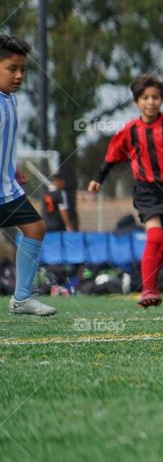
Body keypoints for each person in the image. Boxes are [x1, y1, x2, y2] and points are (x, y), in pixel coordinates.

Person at [88, 72, 163, 307]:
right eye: (145, 97)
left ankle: (151, 280)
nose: (151, 102)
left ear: (161, 100)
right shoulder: (130, 130)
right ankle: (148, 289)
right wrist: (98, 178)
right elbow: (112, 156)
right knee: (155, 235)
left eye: (155, 97)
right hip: (145, 189)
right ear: (137, 101)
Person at [0, 36, 57, 316]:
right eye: (12, 69)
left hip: (6, 189)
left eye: (23, 69)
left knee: (35, 229)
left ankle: (22, 298)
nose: (19, 75)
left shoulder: (9, 100)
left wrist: (12, 167)